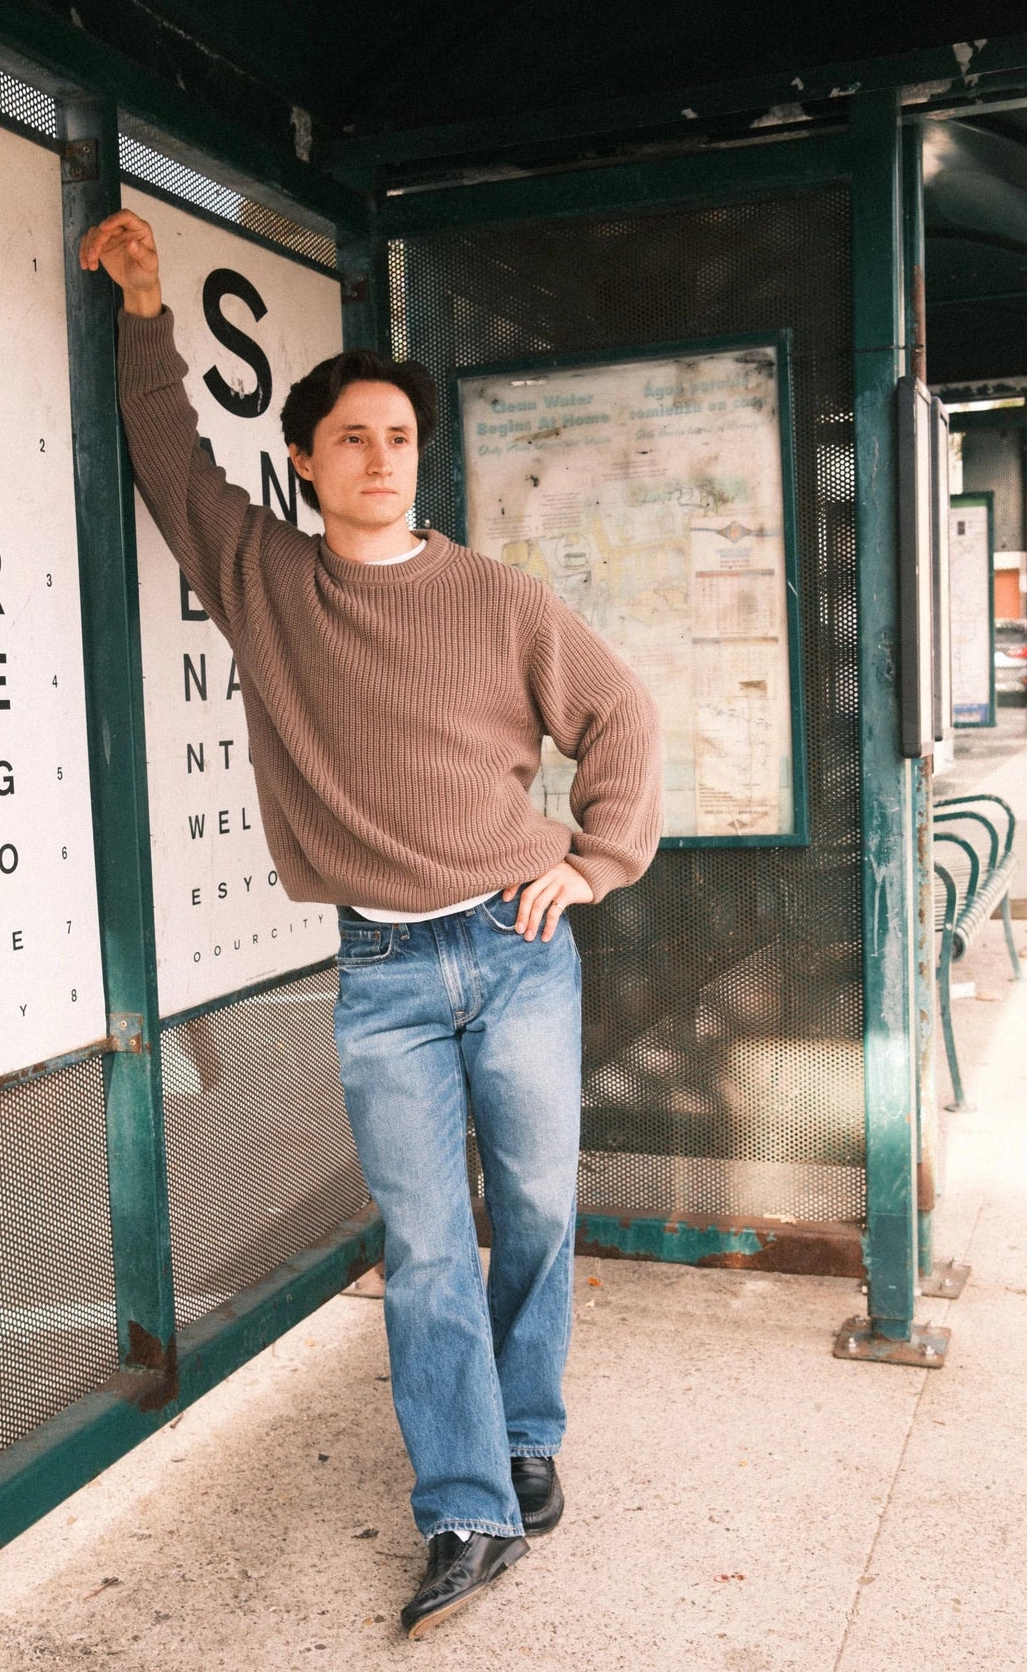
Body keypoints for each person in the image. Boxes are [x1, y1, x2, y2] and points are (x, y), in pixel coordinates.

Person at [79, 209, 663, 1639]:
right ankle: (466, 1507)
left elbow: (621, 714)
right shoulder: (269, 579)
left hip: (520, 948)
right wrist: (145, 310)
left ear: (421, 456)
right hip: (386, 968)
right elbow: (167, 455)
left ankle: (528, 1431)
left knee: (529, 1210)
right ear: (305, 458)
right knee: (423, 1244)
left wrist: (594, 862)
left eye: (400, 434)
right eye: (352, 435)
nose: (382, 454)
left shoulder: (498, 599)